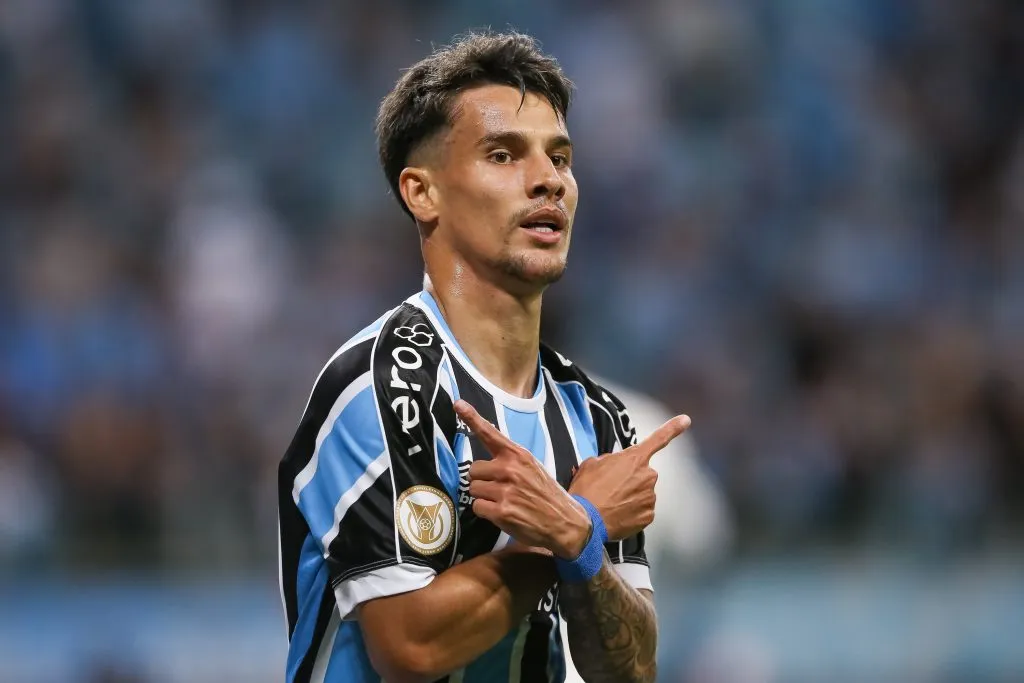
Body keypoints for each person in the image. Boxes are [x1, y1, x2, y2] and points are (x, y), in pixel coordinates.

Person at [277, 30, 690, 683]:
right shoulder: (381, 387)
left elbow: (630, 668)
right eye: (503, 155)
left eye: (560, 158)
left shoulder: (597, 417)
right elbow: (410, 647)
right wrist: (576, 526)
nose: (547, 180)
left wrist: (579, 542)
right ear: (423, 192)